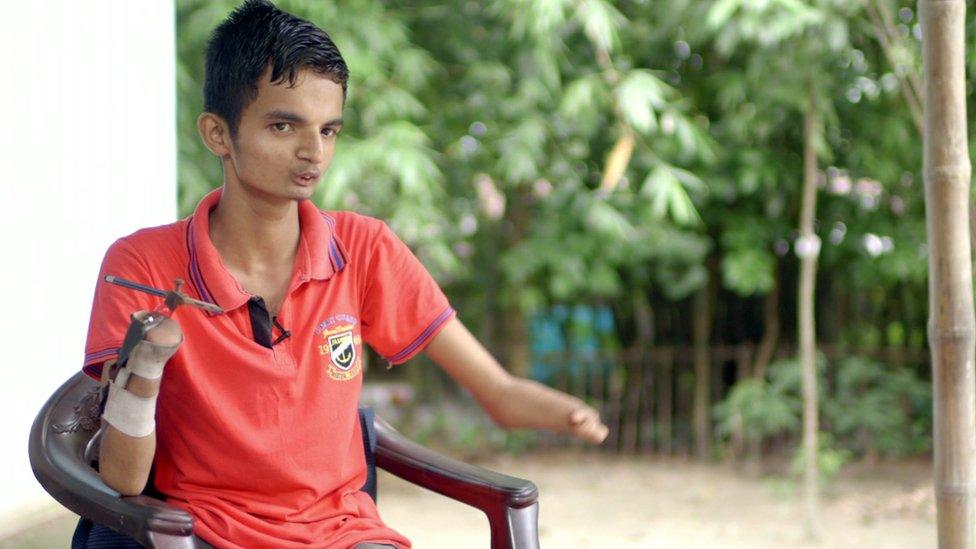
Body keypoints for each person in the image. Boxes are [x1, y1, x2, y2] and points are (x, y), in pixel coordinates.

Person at [82, 1, 609, 547]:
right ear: (218, 134)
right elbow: (122, 478)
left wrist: (565, 411)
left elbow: (496, 391)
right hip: (203, 533)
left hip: (345, 534)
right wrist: (144, 365)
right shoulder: (142, 264)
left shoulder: (364, 247)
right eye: (283, 125)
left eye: (330, 130)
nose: (313, 152)